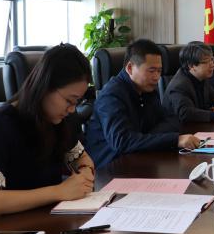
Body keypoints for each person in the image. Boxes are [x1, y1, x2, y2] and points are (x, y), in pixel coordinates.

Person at [0, 44, 95, 222]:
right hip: (7, 231)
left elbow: (82, 158)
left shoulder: (56, 120)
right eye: (69, 100)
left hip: (46, 222)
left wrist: (84, 174)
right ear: (45, 86)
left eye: (77, 102)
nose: (72, 109)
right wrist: (59, 191)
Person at [85, 39, 199, 167]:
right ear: (130, 68)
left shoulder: (147, 90)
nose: (157, 77)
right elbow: (122, 141)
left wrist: (144, 137)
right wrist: (175, 140)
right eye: (151, 71)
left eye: (159, 71)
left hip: (140, 158)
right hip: (110, 167)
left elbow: (172, 119)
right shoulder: (111, 96)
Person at [162, 41, 214, 123]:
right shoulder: (179, 85)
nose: (212, 64)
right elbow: (186, 113)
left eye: (212, 59)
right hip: (179, 130)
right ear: (191, 66)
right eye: (206, 61)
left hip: (199, 126)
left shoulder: (202, 78)